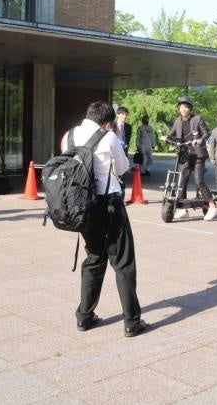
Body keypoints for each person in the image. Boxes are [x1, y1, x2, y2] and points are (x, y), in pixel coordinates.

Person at [61, 101, 148, 338]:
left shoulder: (68, 136)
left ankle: (85, 316)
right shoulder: (108, 137)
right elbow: (122, 168)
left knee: (94, 257)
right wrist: (115, 137)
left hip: (82, 208)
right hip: (109, 205)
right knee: (123, 262)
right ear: (108, 122)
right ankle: (132, 321)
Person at [164, 96, 217, 220]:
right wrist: (165, 138)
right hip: (186, 154)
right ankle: (183, 209)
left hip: (198, 153)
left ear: (190, 109)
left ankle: (212, 205)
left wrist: (199, 140)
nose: (183, 109)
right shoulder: (177, 121)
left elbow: (206, 132)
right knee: (181, 180)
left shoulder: (197, 119)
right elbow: (171, 134)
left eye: (186, 107)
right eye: (181, 107)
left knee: (199, 181)